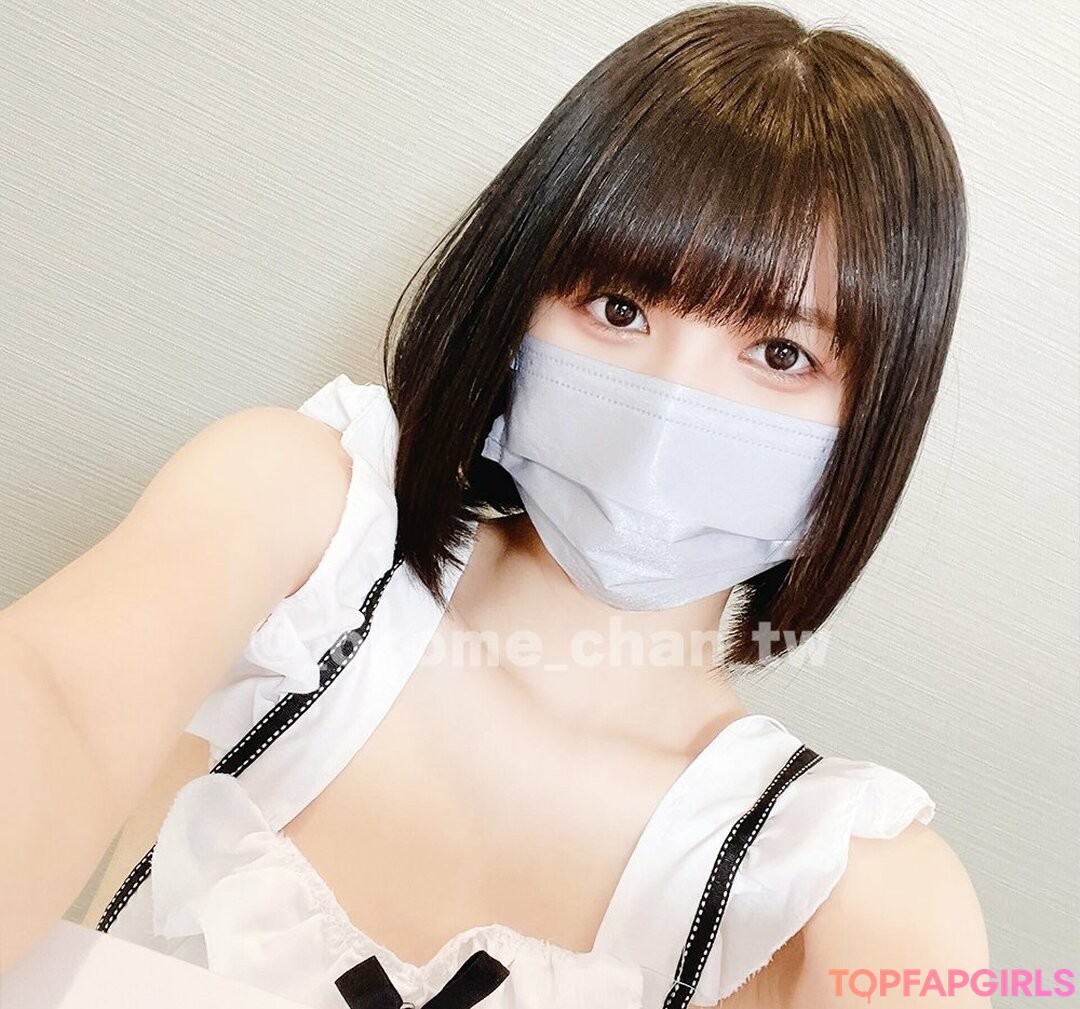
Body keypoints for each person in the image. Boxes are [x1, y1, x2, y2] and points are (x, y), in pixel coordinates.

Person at [1, 3, 991, 1007]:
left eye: (780, 353)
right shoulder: (296, 536)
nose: (667, 408)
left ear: (873, 417)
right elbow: (52, 696)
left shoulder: (848, 893)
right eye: (618, 308)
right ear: (515, 303)